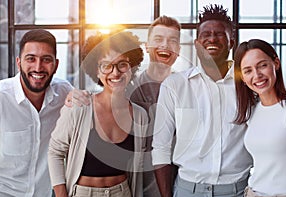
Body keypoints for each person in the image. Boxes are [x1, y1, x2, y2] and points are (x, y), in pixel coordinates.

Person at [151, 4, 253, 197]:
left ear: (231, 41)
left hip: (238, 191)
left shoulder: (249, 85)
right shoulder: (174, 85)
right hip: (187, 191)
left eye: (219, 34)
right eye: (206, 34)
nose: (212, 38)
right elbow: (161, 148)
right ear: (197, 43)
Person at [48, 31, 148, 197]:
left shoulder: (140, 116)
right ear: (97, 70)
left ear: (132, 67)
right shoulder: (79, 106)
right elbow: (55, 152)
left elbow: (138, 168)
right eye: (106, 65)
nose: (115, 73)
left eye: (122, 64)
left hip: (122, 192)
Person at [0, 29, 73, 196]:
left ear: (56, 64)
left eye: (46, 59)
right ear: (19, 62)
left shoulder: (65, 93)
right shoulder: (2, 98)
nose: (38, 67)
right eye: (30, 59)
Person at [234, 39, 286, 197]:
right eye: (248, 70)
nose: (257, 75)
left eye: (262, 65)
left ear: (275, 63)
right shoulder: (252, 111)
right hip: (253, 193)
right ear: (242, 77)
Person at [128, 15, 181, 197]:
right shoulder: (130, 88)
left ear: (179, 49)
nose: (165, 45)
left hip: (180, 183)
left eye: (172, 40)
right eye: (158, 39)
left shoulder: (188, 89)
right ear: (146, 45)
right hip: (139, 184)